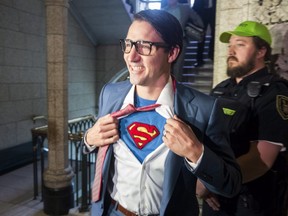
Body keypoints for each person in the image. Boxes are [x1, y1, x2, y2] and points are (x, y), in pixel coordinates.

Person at [83, 9, 241, 216]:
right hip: (113, 211)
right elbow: (98, 146)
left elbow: (230, 184)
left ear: (172, 53)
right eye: (129, 44)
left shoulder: (204, 109)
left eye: (144, 46)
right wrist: (89, 138)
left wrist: (196, 152)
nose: (131, 56)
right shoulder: (110, 94)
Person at [197, 21, 288, 216]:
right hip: (215, 203)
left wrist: (212, 180)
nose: (231, 50)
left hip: (251, 205)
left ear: (261, 50)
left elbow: (263, 159)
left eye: (240, 44)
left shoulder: (274, 92)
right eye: (230, 45)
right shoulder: (220, 89)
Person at [163, 0, 203, 81]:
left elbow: (197, 19)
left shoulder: (185, 8)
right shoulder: (164, 11)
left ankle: (176, 89)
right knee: (166, 66)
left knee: (178, 68)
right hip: (166, 43)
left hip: (181, 42)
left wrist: (199, 27)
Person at [193, 0, 216, 67]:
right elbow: (196, 5)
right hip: (202, 13)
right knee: (201, 36)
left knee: (214, 34)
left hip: (214, 13)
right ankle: (199, 60)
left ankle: (211, 55)